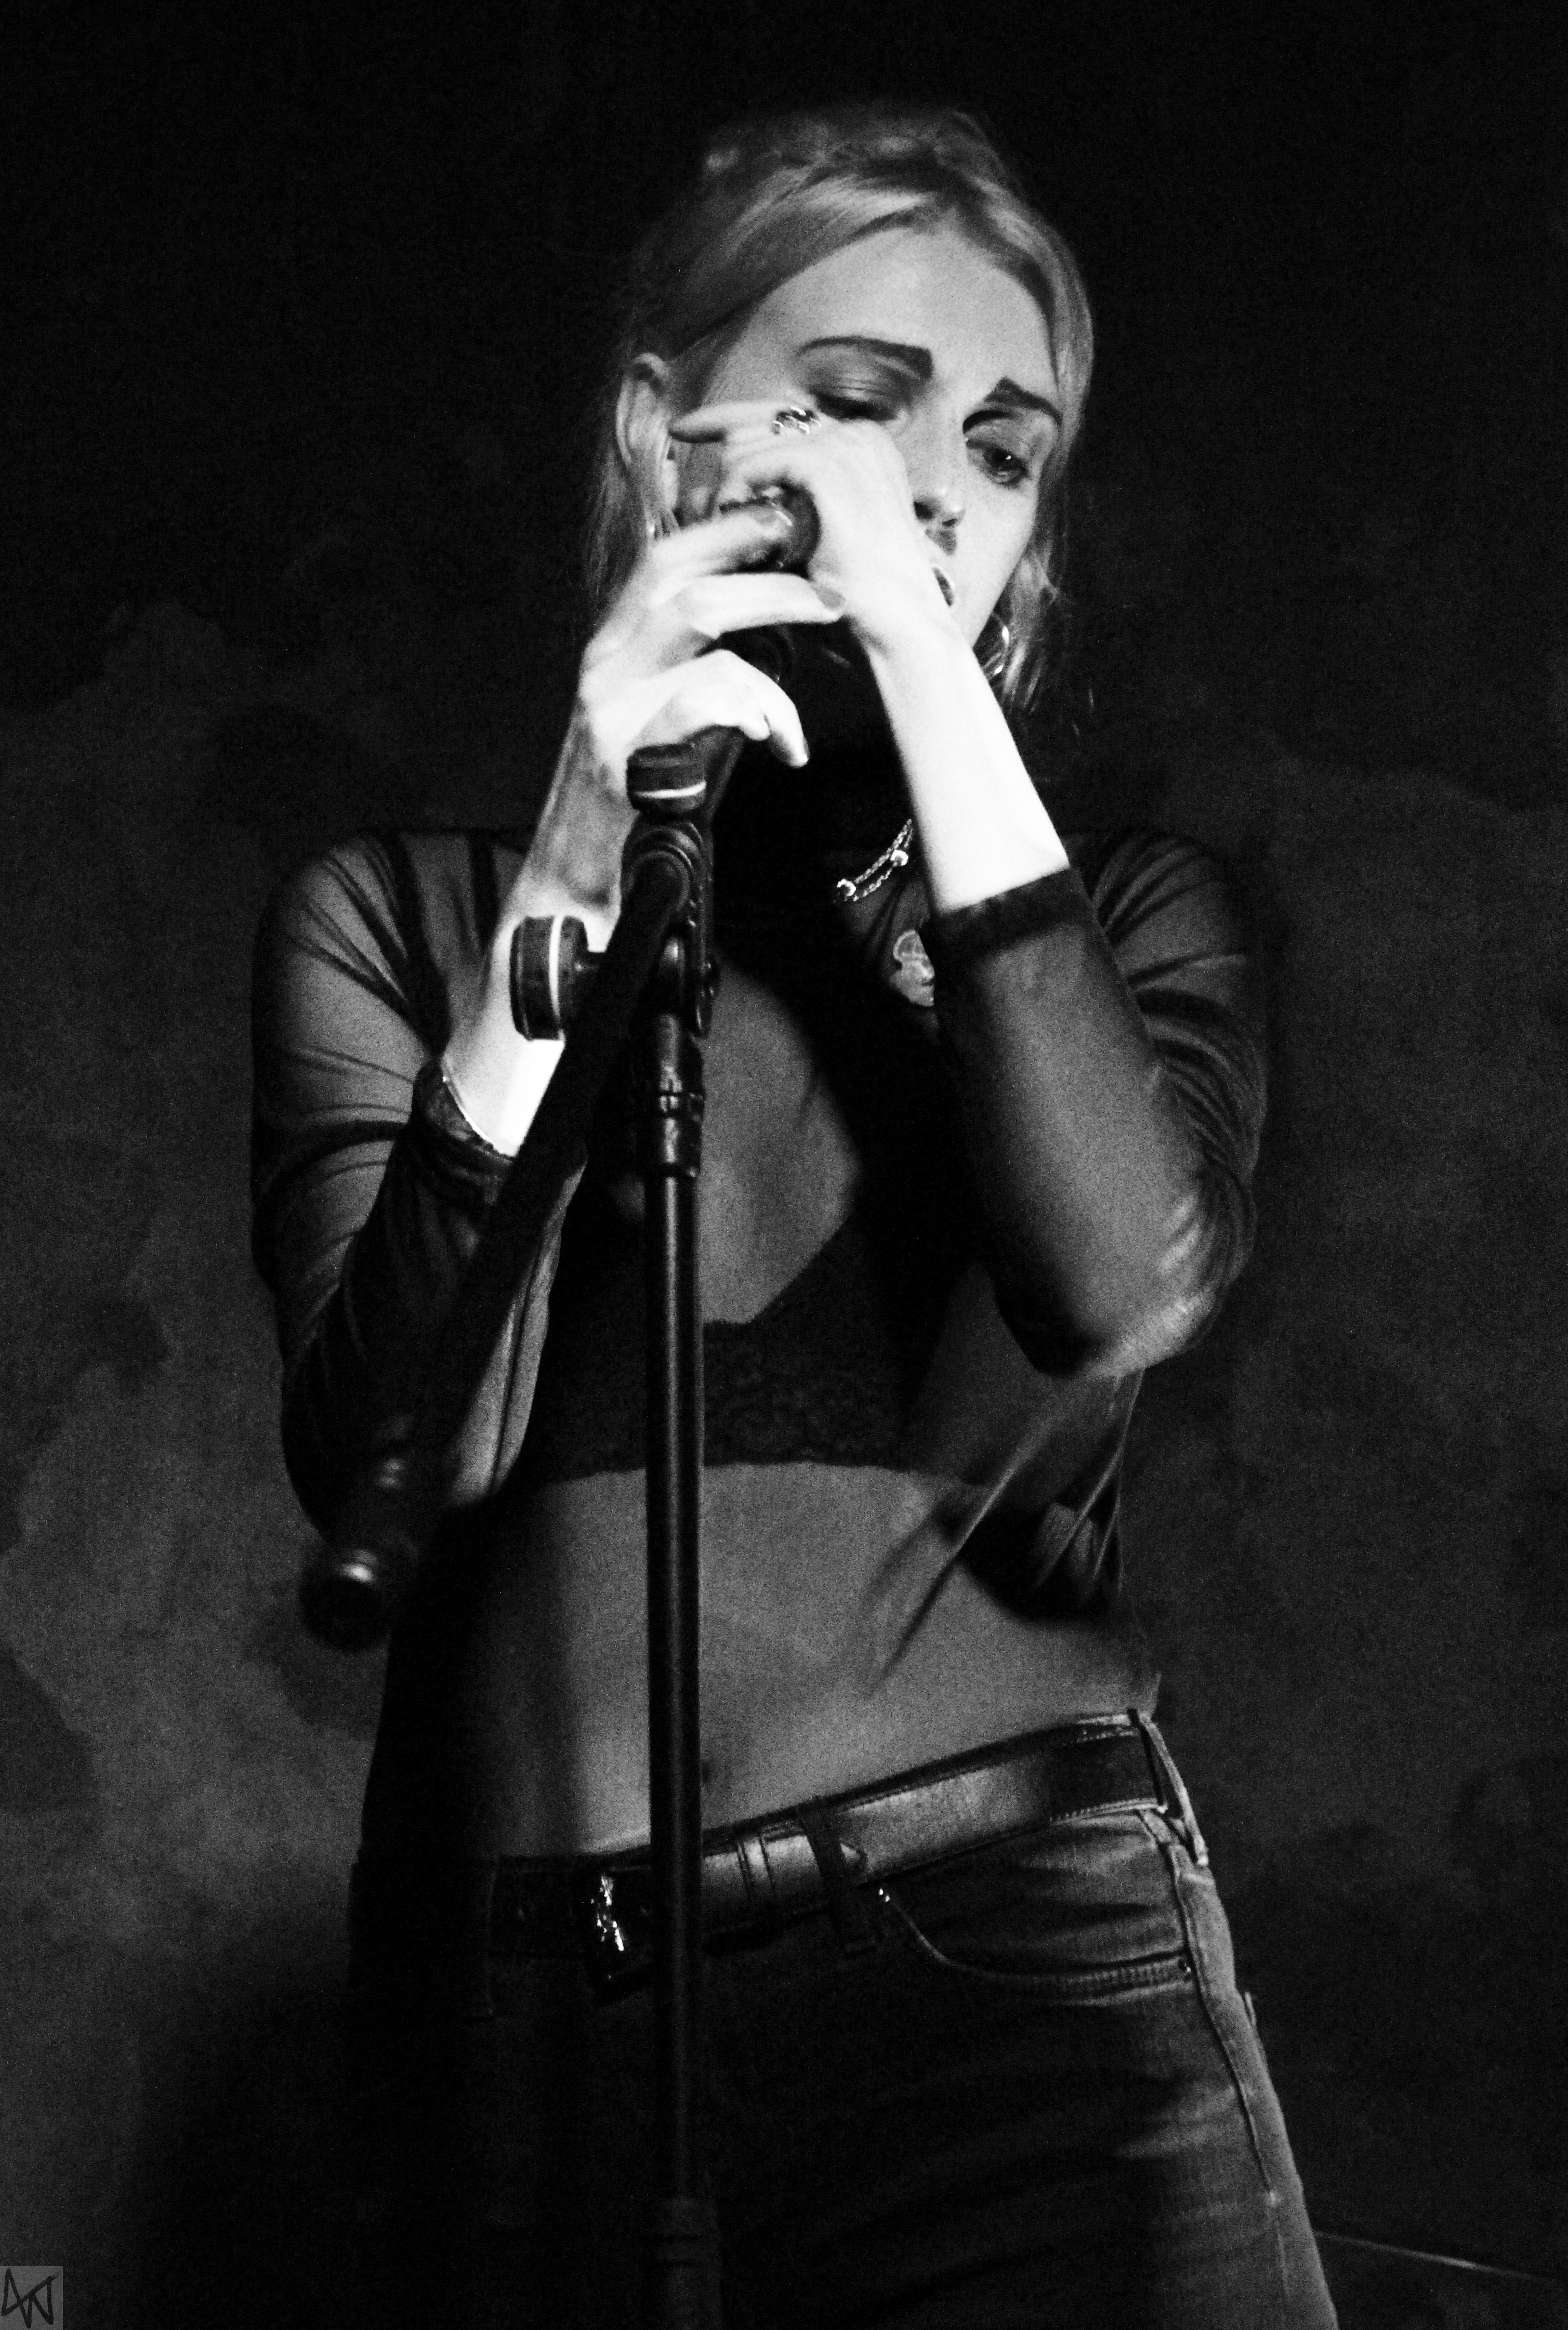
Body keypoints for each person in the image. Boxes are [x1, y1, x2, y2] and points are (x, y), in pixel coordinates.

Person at [252, 101, 1337, 2329]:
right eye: (858, 400)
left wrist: (924, 667)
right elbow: (399, 1462)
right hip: (521, 2031)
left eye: (1005, 450)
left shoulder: (1125, 920)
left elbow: (1117, 1277)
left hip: (1013, 1993)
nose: (932, 482)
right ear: (659, 430)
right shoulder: (397, 920)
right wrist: (583, 841)